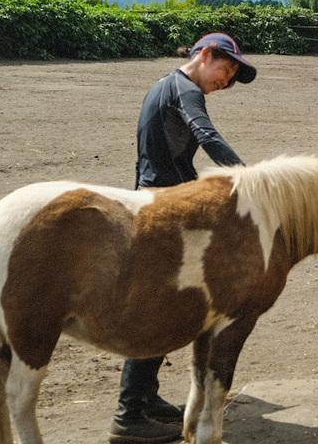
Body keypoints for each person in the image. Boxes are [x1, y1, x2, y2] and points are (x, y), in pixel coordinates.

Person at [110, 32, 257, 444]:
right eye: (226, 70)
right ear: (205, 55)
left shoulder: (164, 85)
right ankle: (128, 413)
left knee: (167, 304)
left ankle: (144, 397)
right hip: (166, 205)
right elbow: (206, 136)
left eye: (230, 78)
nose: (225, 81)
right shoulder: (187, 90)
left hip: (154, 194)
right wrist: (251, 179)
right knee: (162, 309)